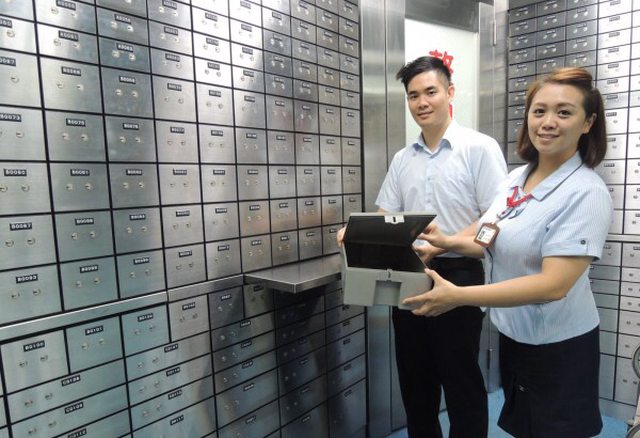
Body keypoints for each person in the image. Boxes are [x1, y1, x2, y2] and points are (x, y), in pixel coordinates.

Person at [404, 67, 612, 438]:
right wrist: (445, 241)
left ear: (587, 123)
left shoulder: (586, 192)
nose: (548, 122)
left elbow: (553, 285)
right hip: (515, 336)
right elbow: (487, 237)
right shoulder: (517, 180)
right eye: (539, 111)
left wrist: (459, 296)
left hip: (558, 346)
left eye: (564, 112)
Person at [339, 56, 507, 437]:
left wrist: (445, 244)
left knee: (461, 383)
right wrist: (356, 233)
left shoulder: (478, 148)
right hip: (408, 275)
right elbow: (386, 215)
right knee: (416, 385)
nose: (422, 102)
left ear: (450, 92)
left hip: (459, 273)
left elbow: (495, 216)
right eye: (413, 95)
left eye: (431, 92)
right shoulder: (403, 159)